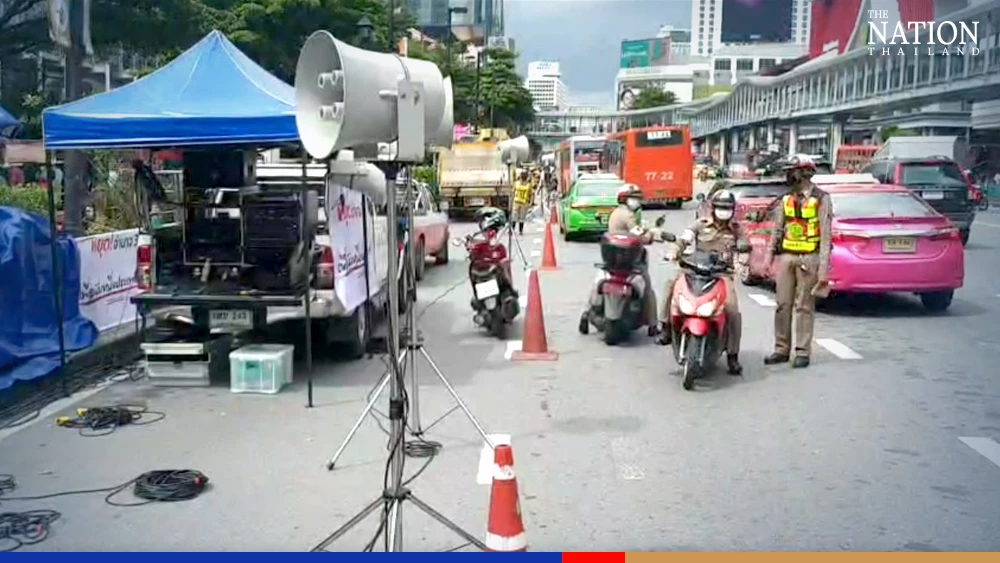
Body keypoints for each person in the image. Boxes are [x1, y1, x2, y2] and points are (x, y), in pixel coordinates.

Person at [657, 188, 745, 375]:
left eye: (728, 208)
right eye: (720, 207)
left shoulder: (736, 230)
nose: (724, 211)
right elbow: (684, 240)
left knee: (732, 309)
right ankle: (665, 327)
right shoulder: (701, 224)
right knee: (670, 285)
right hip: (694, 270)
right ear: (713, 208)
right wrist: (675, 251)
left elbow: (745, 247)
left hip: (721, 274)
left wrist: (743, 258)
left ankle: (732, 355)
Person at [764, 154, 833, 369]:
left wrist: (823, 271)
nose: (788, 175)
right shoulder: (786, 199)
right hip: (787, 257)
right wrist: (769, 257)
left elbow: (826, 236)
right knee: (782, 305)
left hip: (809, 257)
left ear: (804, 173)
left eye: (792, 171)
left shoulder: (822, 199)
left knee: (804, 306)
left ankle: (802, 352)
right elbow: (777, 230)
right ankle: (781, 349)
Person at [580, 184, 660, 337]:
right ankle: (653, 325)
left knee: (598, 282)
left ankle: (585, 313)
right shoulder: (628, 215)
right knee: (647, 287)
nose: (636, 201)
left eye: (637, 198)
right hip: (629, 260)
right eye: (633, 198)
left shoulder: (615, 213)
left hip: (612, 260)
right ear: (625, 198)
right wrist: (651, 236)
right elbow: (640, 236)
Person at [512, 170, 533, 235]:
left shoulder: (528, 185)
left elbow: (531, 194)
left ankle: (520, 231)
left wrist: (530, 203)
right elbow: (513, 192)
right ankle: (513, 230)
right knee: (516, 216)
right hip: (517, 202)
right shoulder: (517, 183)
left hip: (523, 203)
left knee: (521, 217)